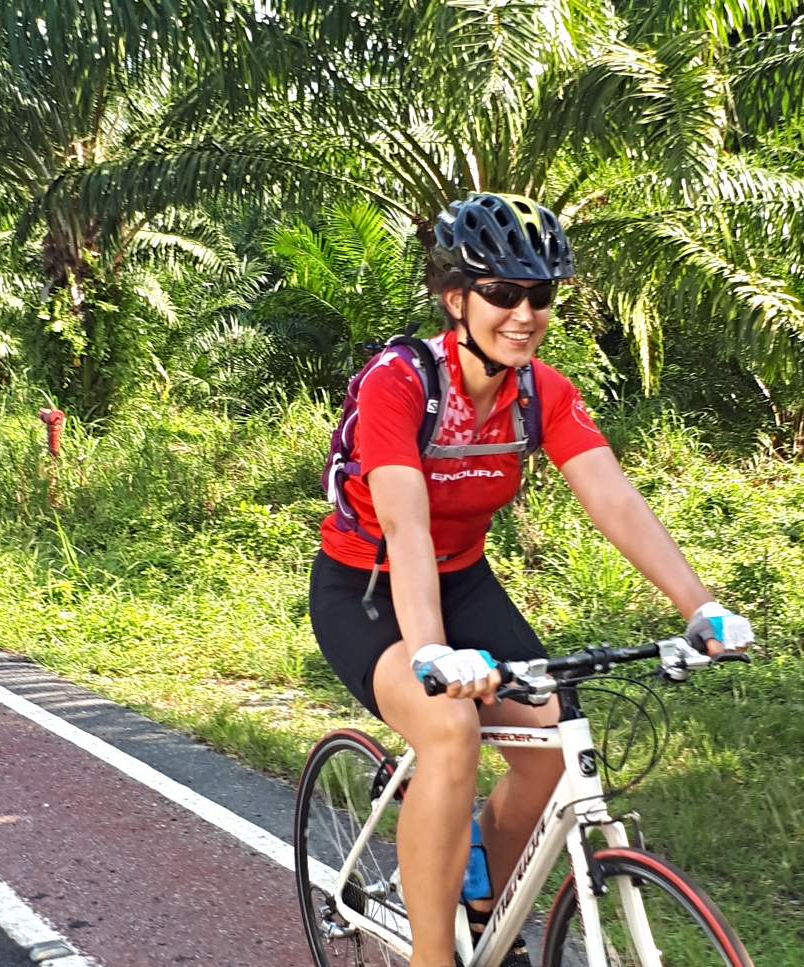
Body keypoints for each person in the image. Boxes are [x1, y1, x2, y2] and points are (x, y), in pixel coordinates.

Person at [309, 192, 754, 967]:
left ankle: (483, 902)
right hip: (371, 590)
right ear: (456, 298)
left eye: (540, 295)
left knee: (552, 747)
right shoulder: (401, 383)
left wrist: (701, 604)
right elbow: (407, 529)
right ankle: (431, 958)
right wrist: (431, 654)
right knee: (448, 730)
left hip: (466, 581)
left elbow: (615, 499)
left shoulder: (538, 393)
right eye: (502, 293)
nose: (524, 312)